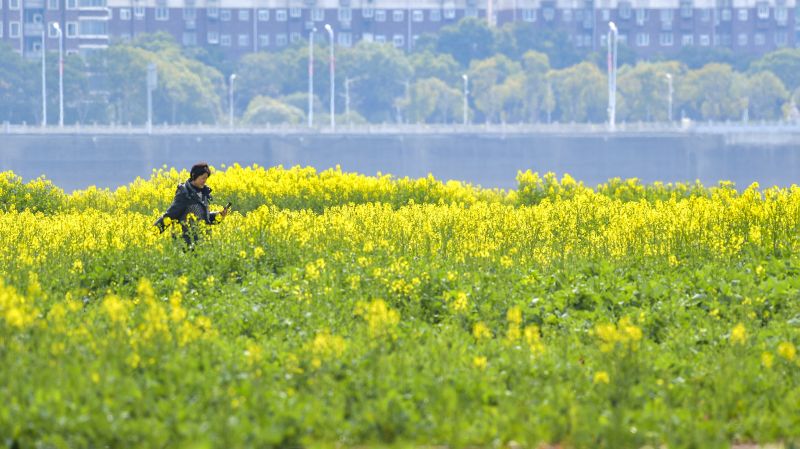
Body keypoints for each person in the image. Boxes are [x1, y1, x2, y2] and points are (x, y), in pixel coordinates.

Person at [154, 162, 229, 247]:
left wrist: (218, 215)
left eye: (206, 178)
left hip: (202, 244)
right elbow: (170, 215)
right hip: (186, 245)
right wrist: (153, 233)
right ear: (194, 176)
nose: (204, 181)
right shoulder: (184, 194)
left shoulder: (203, 193)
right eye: (202, 178)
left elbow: (204, 217)